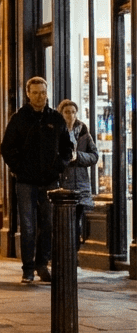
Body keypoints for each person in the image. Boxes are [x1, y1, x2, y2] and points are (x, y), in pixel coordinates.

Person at [0, 77, 74, 284]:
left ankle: (43, 264)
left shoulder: (56, 119)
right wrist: (18, 168)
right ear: (28, 94)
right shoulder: (20, 118)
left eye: (43, 92)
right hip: (26, 181)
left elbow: (67, 147)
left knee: (48, 224)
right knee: (29, 225)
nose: (40, 96)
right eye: (36, 92)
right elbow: (6, 148)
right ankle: (28, 269)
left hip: (50, 181)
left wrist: (59, 166)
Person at [57, 99, 98, 240]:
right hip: (62, 184)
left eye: (73, 112)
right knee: (63, 225)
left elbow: (94, 156)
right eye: (67, 112)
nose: (71, 115)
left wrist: (78, 156)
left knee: (77, 225)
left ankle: (74, 257)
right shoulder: (56, 131)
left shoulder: (83, 131)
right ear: (61, 113)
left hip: (80, 185)